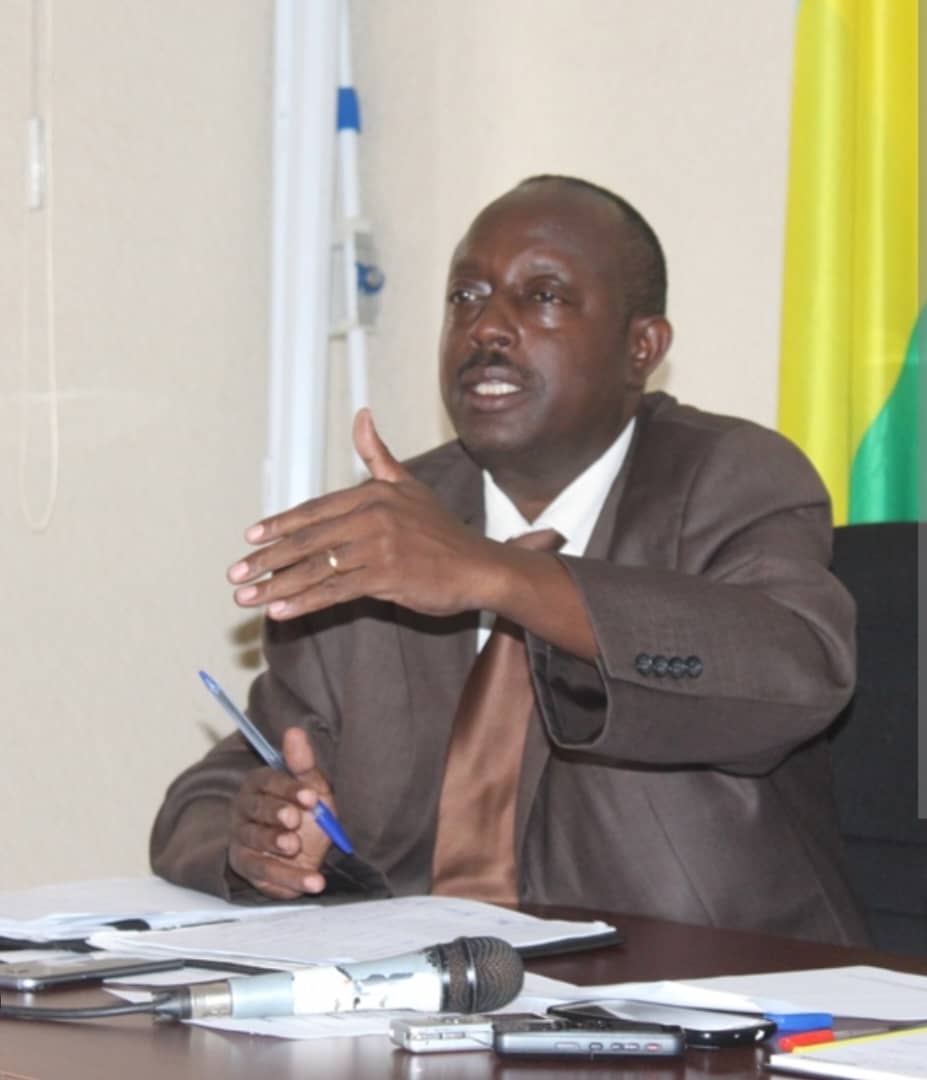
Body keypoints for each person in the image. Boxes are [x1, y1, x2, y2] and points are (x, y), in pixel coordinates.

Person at [151, 175, 868, 945]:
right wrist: (260, 835)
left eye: (543, 297)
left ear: (641, 348)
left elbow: (792, 674)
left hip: (709, 985)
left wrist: (497, 576)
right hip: (431, 989)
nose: (487, 327)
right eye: (465, 297)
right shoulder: (391, 528)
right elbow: (220, 787)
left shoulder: (729, 477)